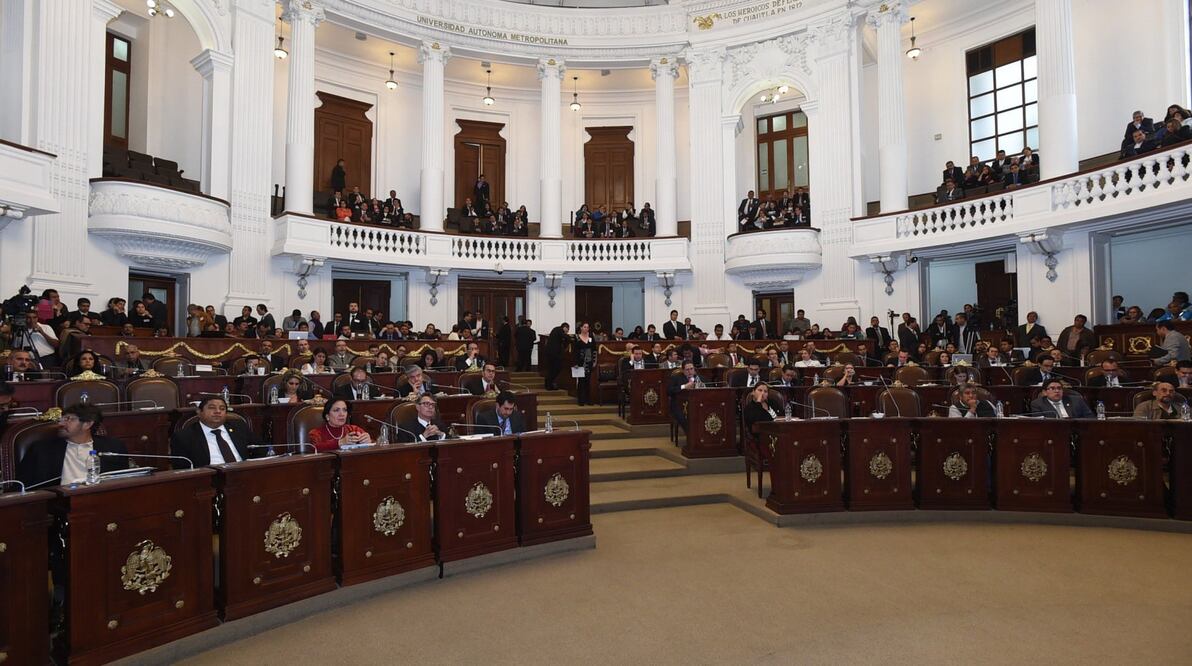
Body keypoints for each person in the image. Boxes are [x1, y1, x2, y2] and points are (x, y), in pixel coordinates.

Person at [16, 404, 129, 487]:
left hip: (100, 500)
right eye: (62, 419)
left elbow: (124, 482)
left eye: (68, 419)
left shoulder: (113, 447)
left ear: (87, 424)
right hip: (60, 504)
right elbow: (21, 486)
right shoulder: (41, 449)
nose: (61, 423)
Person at [169, 396, 261, 467]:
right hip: (208, 481)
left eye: (222, 408)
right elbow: (182, 467)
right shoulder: (184, 437)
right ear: (199, 412)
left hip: (243, 473)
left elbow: (261, 448)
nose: (217, 411)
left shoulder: (239, 427)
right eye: (212, 408)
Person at [668, 361, 704, 433]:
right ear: (683, 370)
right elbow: (669, 391)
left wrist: (703, 386)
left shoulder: (699, 378)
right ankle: (691, 439)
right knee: (685, 418)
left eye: (691, 369)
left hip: (697, 404)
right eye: (687, 370)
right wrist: (684, 386)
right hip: (679, 405)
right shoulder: (676, 378)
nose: (690, 371)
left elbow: (710, 386)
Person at [1029, 380, 1094, 418]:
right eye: (1052, 388)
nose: (1057, 391)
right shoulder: (1037, 404)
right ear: (1044, 392)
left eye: (1059, 388)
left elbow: (1090, 417)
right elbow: (1040, 423)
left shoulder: (1076, 400)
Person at [573, 321, 597, 406]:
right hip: (580, 362)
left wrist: (594, 362)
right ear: (581, 328)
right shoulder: (577, 337)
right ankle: (581, 400)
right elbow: (575, 351)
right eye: (584, 327)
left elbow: (594, 350)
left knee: (588, 381)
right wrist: (575, 362)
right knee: (581, 381)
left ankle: (588, 400)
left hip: (589, 362)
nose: (586, 328)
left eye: (587, 327)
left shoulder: (591, 337)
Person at [544, 322, 570, 391]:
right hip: (554, 354)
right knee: (556, 368)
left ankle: (548, 384)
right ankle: (549, 384)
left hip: (550, 353)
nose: (567, 332)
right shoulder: (559, 330)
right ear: (565, 328)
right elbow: (566, 337)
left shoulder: (556, 329)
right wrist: (569, 338)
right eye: (567, 330)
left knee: (551, 369)